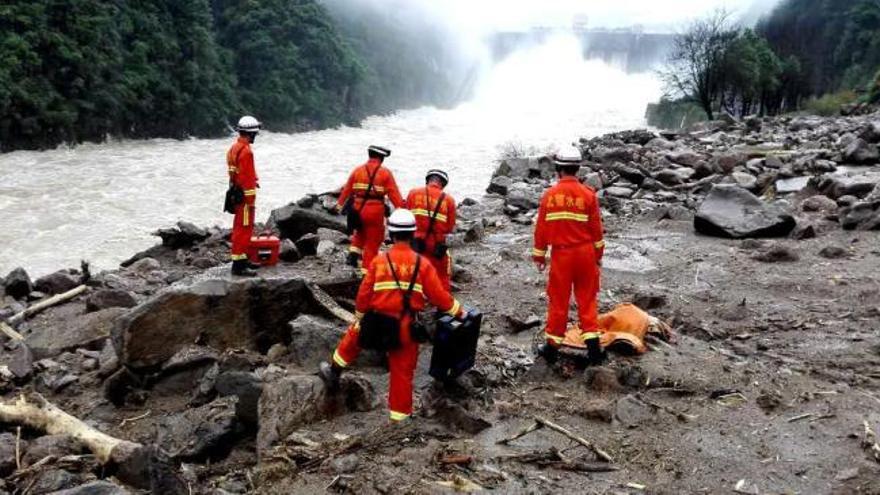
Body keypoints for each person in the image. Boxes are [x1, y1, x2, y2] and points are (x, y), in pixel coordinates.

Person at [319, 209, 469, 422]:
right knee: (402, 373)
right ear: (413, 233)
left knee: (355, 334)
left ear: (391, 233)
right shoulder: (422, 264)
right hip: (404, 326)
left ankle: (334, 370)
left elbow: (364, 293)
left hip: (376, 320)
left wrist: (360, 315)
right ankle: (399, 418)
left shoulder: (380, 261)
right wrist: (459, 312)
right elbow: (439, 297)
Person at [532, 156, 605, 362]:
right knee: (587, 299)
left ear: (558, 169)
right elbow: (596, 230)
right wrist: (598, 255)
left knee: (558, 300)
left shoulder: (550, 195)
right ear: (577, 169)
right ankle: (593, 350)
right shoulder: (588, 195)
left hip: (561, 255)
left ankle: (552, 348)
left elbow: (541, 229)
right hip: (585, 253)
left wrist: (539, 255)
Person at [335, 146, 404, 276]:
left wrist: (339, 205)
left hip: (357, 208)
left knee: (360, 231)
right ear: (381, 158)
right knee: (373, 240)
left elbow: (347, 189)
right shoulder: (385, 173)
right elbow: (393, 193)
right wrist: (402, 209)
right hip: (375, 210)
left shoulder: (358, 170)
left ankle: (353, 255)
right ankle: (367, 272)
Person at [406, 169, 456, 290]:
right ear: (443, 184)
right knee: (442, 275)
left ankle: (414, 299)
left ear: (427, 180)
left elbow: (406, 217)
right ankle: (443, 304)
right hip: (436, 244)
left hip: (415, 243)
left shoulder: (413, 193)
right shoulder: (449, 200)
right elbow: (450, 227)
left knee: (412, 273)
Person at [227, 115, 262, 277]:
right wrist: (250, 199)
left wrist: (254, 180)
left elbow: (235, 173)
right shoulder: (247, 151)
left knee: (239, 227)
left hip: (236, 193)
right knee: (244, 229)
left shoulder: (234, 148)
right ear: (251, 133)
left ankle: (242, 260)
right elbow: (246, 179)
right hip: (245, 199)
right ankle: (239, 265)